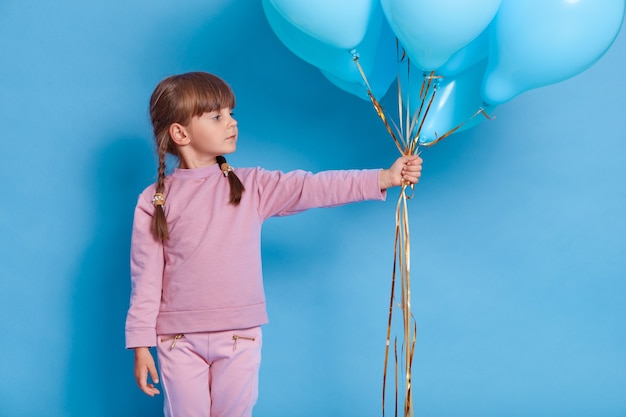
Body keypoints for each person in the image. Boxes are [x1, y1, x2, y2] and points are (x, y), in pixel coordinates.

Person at [125, 71, 423, 417]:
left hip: (239, 336)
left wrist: (383, 177)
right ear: (180, 133)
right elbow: (145, 278)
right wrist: (140, 343)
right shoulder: (154, 200)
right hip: (177, 340)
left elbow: (313, 188)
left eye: (231, 114)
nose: (231, 123)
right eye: (217, 116)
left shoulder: (252, 185)